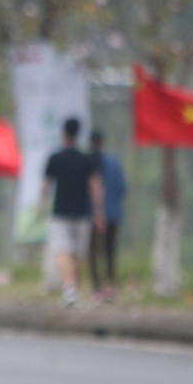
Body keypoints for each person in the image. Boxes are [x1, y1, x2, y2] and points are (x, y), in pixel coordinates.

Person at [41, 117, 105, 307]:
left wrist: (39, 207)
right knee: (78, 254)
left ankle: (70, 289)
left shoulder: (56, 158)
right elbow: (96, 188)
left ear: (64, 134)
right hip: (82, 213)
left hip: (60, 213)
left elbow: (45, 186)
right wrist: (99, 213)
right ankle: (72, 289)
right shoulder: (86, 160)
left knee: (62, 252)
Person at [87, 129, 127, 303]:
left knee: (93, 252)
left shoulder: (88, 162)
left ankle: (96, 288)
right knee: (110, 250)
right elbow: (122, 188)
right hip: (113, 213)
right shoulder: (114, 162)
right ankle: (111, 286)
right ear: (103, 142)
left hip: (91, 214)